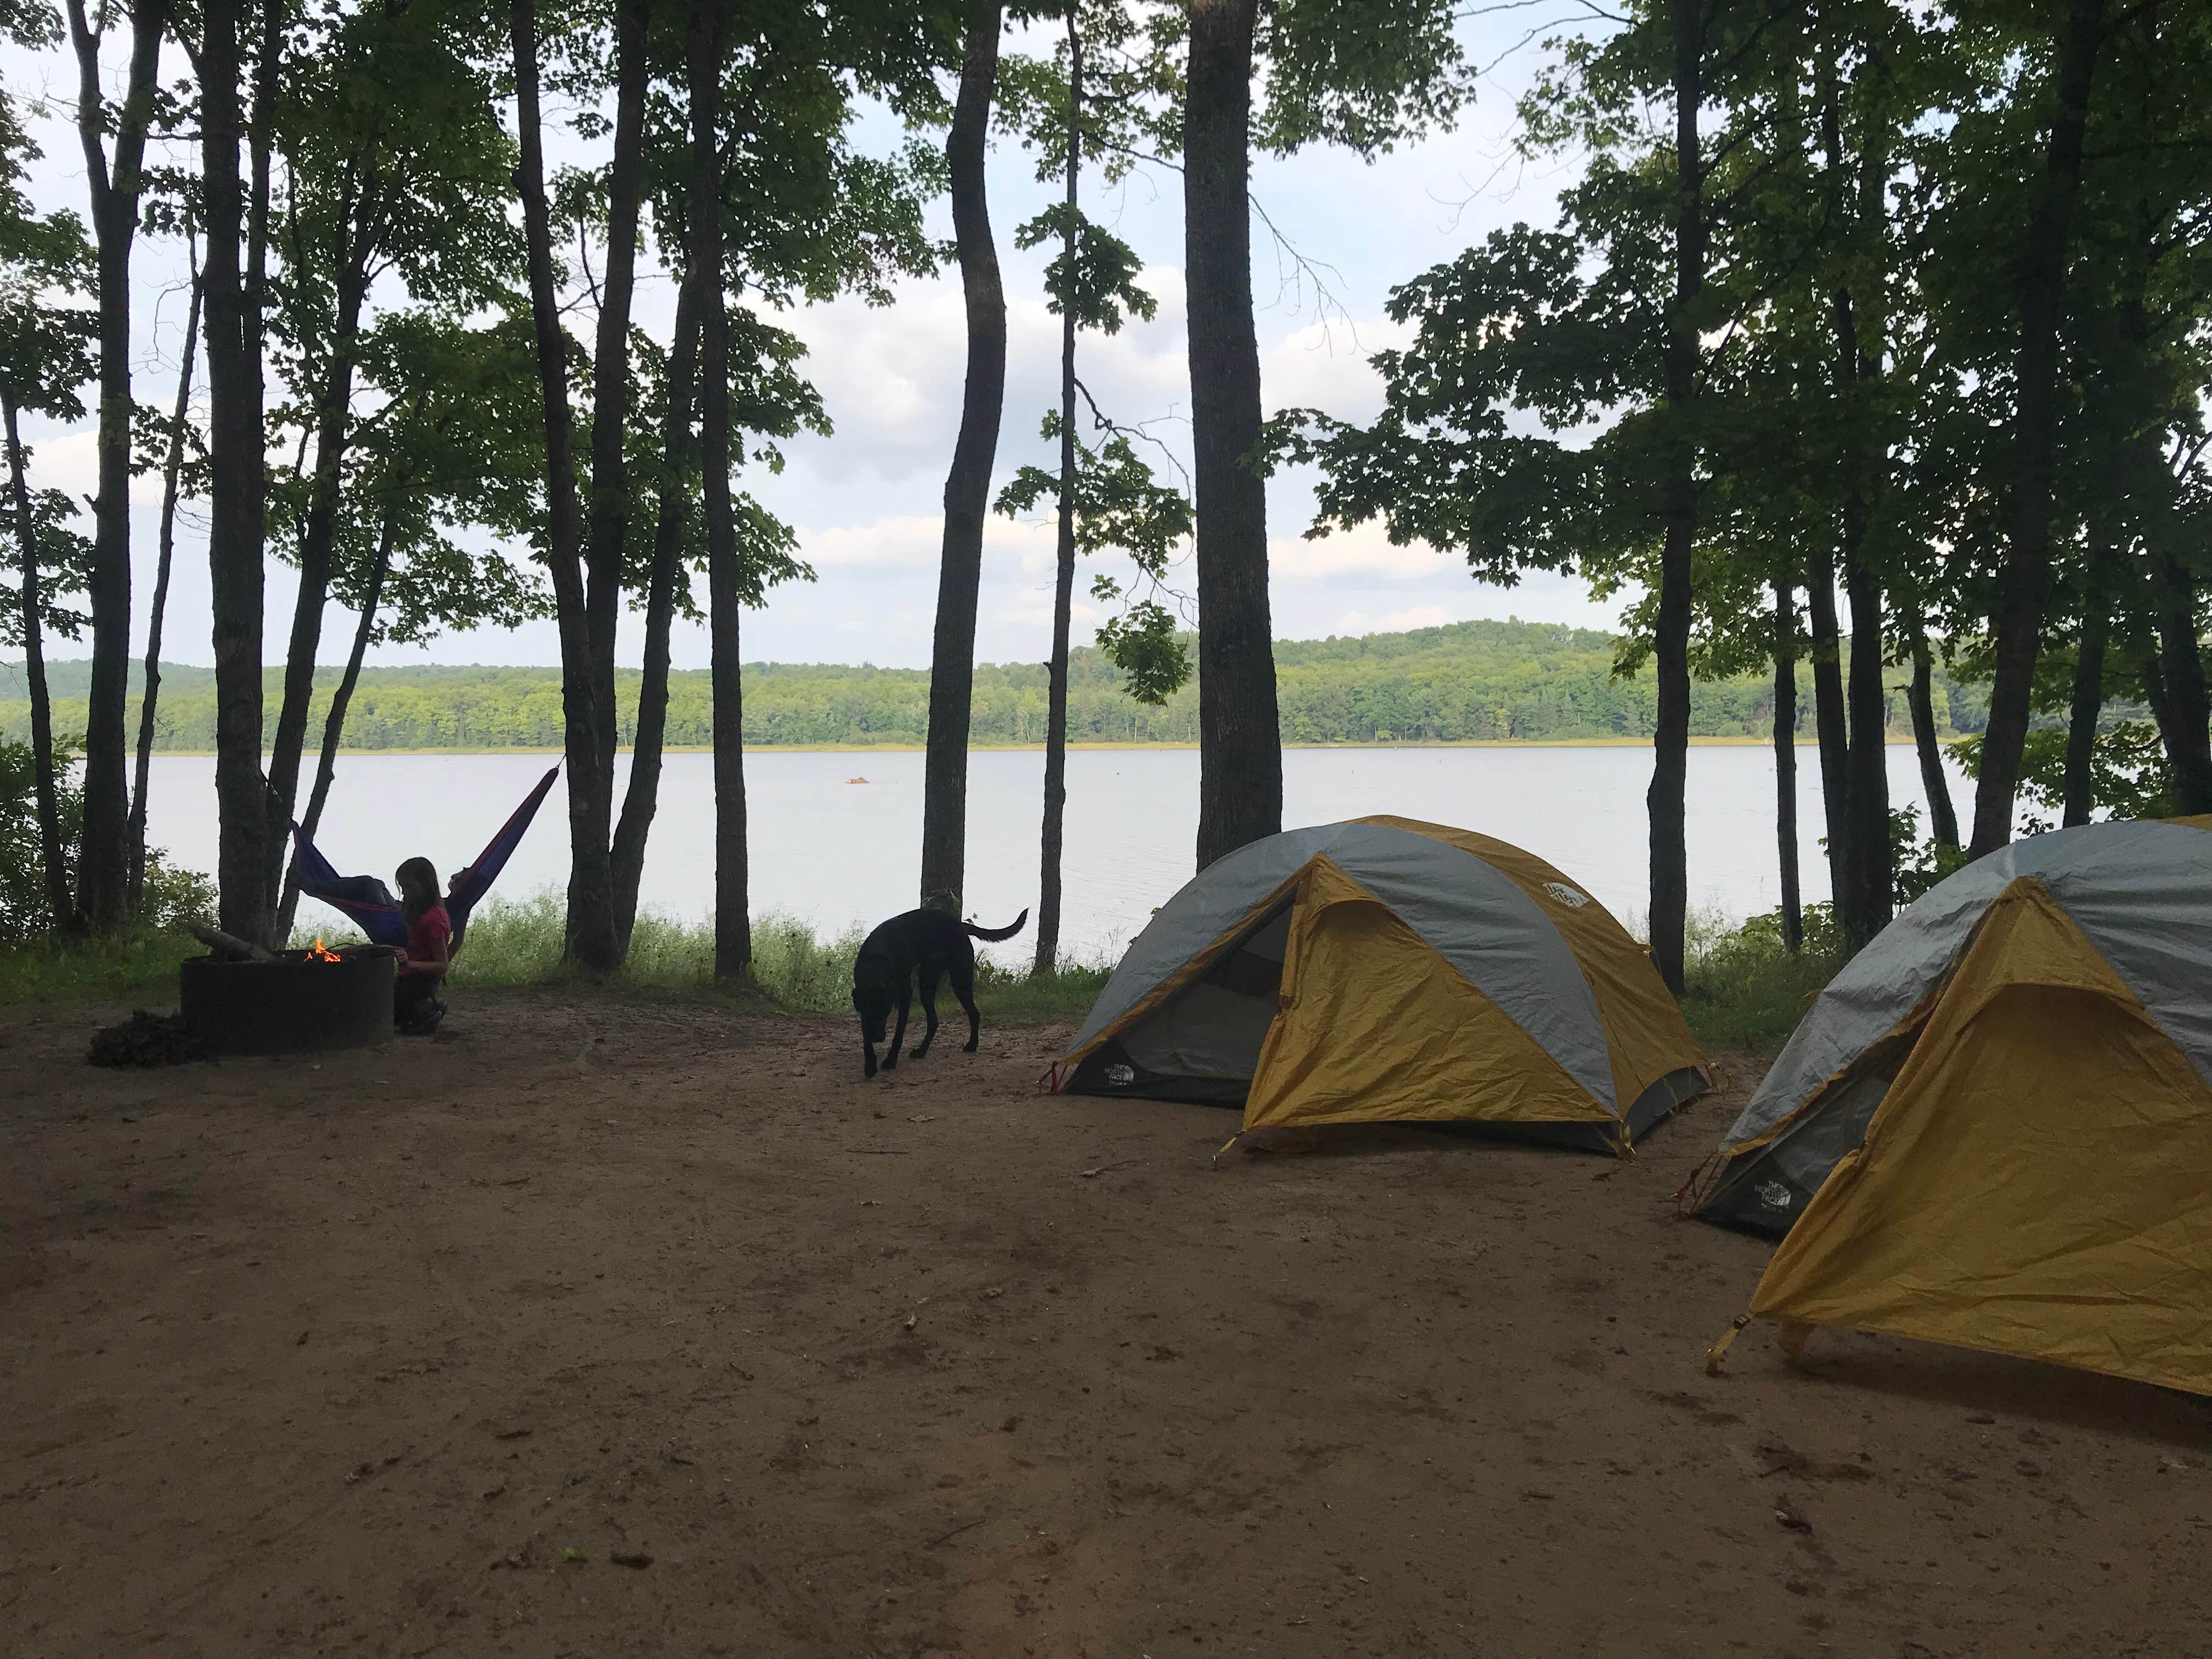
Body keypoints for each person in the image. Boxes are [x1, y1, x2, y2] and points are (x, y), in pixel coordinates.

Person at [393, 856, 451, 1035]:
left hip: (420, 982)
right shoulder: (418, 911)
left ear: (426, 885)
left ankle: (424, 1008)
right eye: (403, 888)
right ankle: (422, 1008)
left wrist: (410, 963)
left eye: (410, 887)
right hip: (408, 979)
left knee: (379, 1013)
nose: (404, 893)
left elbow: (442, 965)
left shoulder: (434, 919)